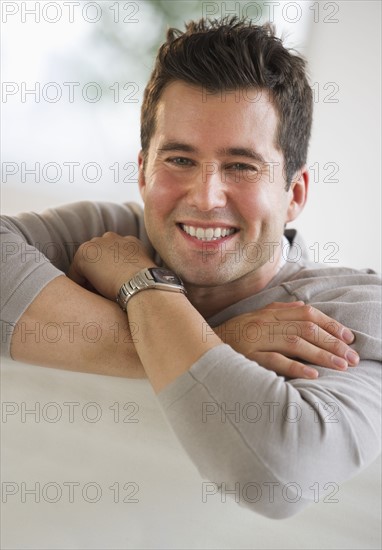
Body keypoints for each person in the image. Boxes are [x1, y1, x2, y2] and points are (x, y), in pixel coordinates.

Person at [1, 17, 380, 519]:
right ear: (142, 171)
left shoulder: (350, 313)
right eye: (179, 159)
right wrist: (220, 343)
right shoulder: (112, 234)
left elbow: (277, 474)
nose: (204, 197)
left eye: (241, 166)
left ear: (295, 193)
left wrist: (143, 290)